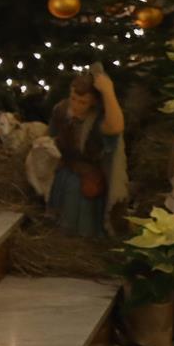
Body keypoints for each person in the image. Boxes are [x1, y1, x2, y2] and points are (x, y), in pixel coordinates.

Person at [47, 68, 126, 238]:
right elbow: (52, 135)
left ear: (93, 103)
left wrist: (108, 92)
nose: (75, 105)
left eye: (82, 102)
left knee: (79, 204)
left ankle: (83, 238)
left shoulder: (97, 121)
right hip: (66, 170)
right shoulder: (61, 110)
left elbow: (116, 127)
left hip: (88, 176)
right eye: (73, 99)